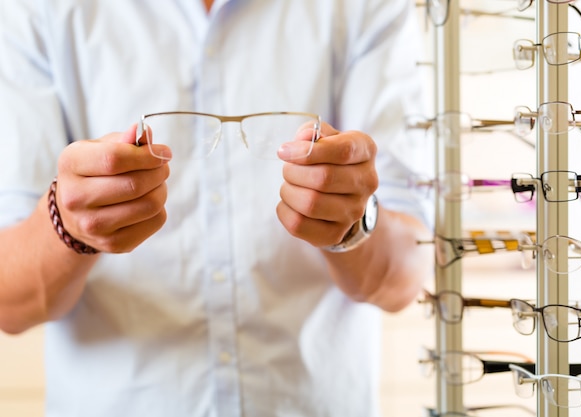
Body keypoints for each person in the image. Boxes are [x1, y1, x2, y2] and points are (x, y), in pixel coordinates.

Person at [0, 1, 433, 416]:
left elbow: (403, 278)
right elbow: (9, 303)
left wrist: (351, 225)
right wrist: (68, 226)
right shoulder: (38, 8)